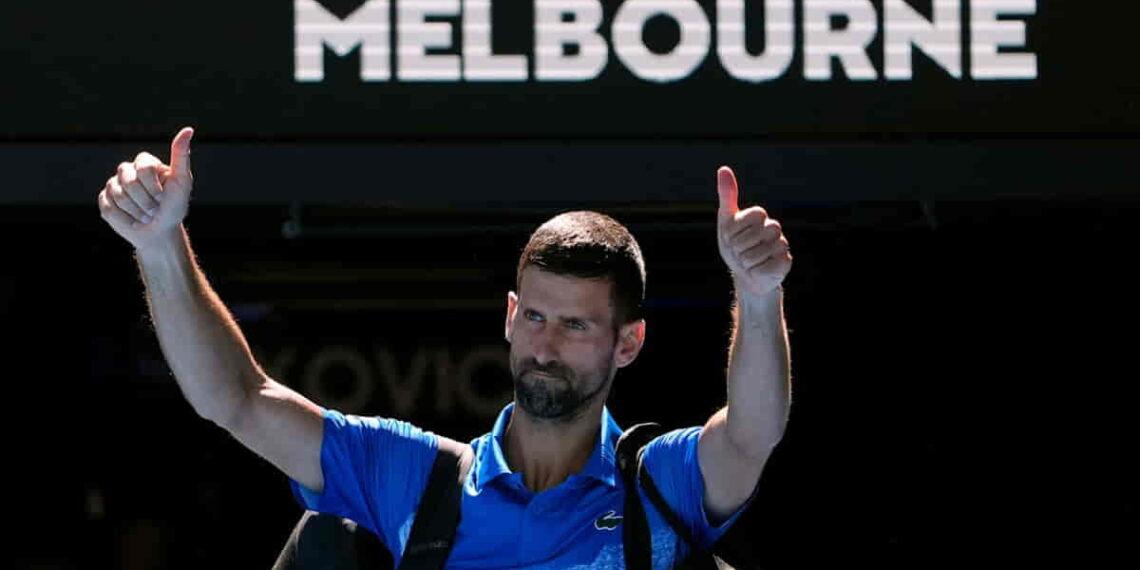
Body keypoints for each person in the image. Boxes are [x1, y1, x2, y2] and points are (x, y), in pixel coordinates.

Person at [96, 127, 794, 568]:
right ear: (510, 316)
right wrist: (160, 247)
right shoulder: (416, 477)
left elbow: (752, 432)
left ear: (628, 343)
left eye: (577, 326)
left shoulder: (658, 485)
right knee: (322, 539)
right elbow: (238, 401)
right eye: (537, 318)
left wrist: (758, 295)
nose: (545, 347)